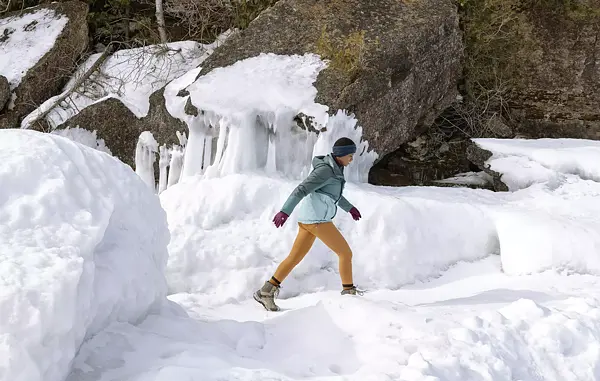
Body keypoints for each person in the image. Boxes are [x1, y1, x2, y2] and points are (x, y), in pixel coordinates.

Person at [253, 137, 363, 311]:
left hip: (310, 219)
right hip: (317, 221)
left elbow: (333, 195)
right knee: (345, 252)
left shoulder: (335, 169)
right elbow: (302, 189)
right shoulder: (325, 171)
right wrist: (285, 211)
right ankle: (349, 292)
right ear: (341, 155)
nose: (352, 159)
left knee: (294, 258)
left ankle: (265, 291)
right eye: (350, 155)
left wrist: (349, 208)